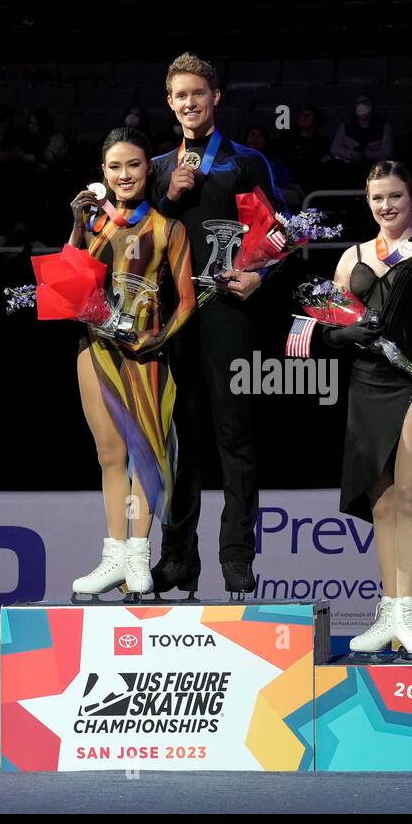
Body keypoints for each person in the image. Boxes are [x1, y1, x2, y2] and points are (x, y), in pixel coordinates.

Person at [148, 52, 288, 597]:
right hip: (172, 321)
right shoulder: (157, 167)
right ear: (170, 102)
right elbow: (136, 240)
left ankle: (237, 560)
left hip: (229, 315)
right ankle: (178, 560)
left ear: (215, 99)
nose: (189, 103)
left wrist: (260, 277)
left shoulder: (245, 161)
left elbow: (282, 232)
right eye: (180, 96)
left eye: (198, 94)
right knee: (178, 444)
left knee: (236, 439)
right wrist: (168, 196)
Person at [327, 161, 412, 657]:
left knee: (410, 497)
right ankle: (388, 608)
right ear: (368, 202)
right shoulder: (351, 258)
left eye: (396, 197)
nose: (387, 206)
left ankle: (410, 609)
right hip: (367, 384)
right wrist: (347, 332)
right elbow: (327, 329)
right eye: (378, 198)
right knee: (380, 502)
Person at [67, 128, 197, 599]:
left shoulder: (167, 228)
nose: (124, 175)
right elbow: (70, 282)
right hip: (94, 348)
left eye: (134, 165)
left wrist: (153, 338)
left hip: (145, 351)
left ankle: (139, 555)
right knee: (109, 453)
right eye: (115, 167)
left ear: (149, 169)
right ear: (102, 172)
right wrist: (78, 227)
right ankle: (114, 555)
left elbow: (186, 301)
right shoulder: (94, 224)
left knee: (147, 454)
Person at [329, 94, 394, 172]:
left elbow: (387, 151)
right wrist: (351, 154)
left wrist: (368, 155)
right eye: (359, 102)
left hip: (374, 167)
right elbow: (335, 148)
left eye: (366, 102)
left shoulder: (383, 126)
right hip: (348, 165)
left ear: (372, 106)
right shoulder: (346, 125)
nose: (362, 105)